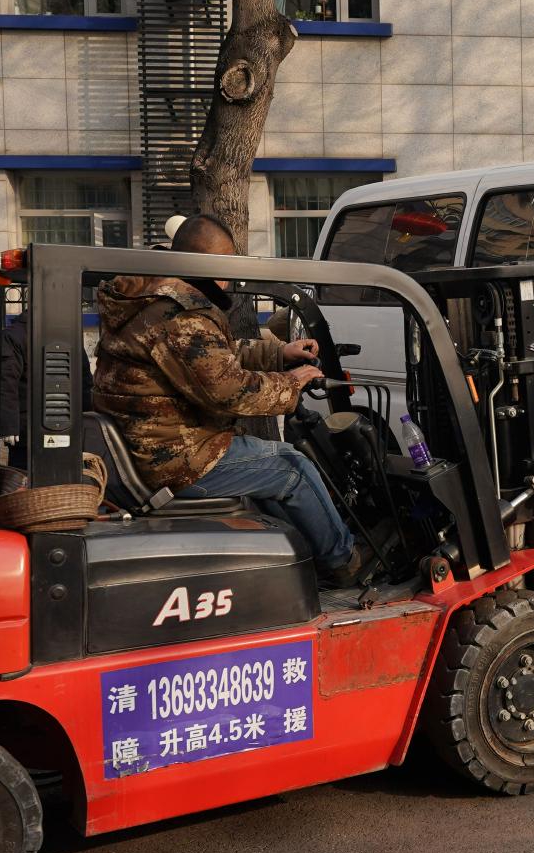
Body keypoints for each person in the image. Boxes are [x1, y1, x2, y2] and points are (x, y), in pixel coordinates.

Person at [94, 213, 366, 581]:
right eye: (224, 266)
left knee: (270, 466)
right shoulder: (180, 315)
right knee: (292, 466)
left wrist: (279, 354)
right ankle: (343, 561)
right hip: (179, 459)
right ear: (207, 263)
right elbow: (229, 391)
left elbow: (211, 356)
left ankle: (301, 564)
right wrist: (292, 382)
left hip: (157, 444)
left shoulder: (152, 300)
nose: (226, 278)